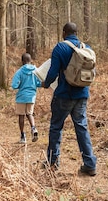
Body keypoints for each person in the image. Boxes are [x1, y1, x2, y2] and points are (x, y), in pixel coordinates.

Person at [41, 22, 98, 176]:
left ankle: (52, 162)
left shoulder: (60, 48)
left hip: (64, 94)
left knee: (56, 127)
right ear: (76, 32)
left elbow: (52, 72)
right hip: (82, 95)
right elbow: (92, 72)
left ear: (64, 33)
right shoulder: (87, 48)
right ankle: (90, 163)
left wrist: (45, 83)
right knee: (81, 127)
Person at [11, 52, 42, 144]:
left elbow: (14, 85)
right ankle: (33, 128)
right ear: (30, 60)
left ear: (22, 61)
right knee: (30, 114)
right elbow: (39, 83)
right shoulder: (36, 70)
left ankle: (23, 136)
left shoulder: (20, 71)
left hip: (21, 96)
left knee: (21, 115)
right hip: (32, 96)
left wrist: (20, 85)